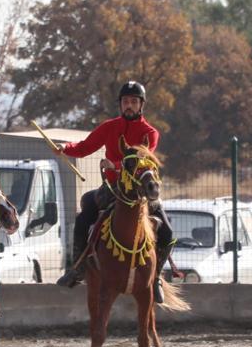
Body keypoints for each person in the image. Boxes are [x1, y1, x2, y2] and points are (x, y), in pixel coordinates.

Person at [55, 81, 174, 303]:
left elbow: (142, 160)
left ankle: (156, 277)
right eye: (126, 101)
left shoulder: (150, 133)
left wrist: (115, 166)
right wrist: (65, 149)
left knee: (167, 231)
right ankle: (77, 269)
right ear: (120, 104)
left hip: (140, 192)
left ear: (141, 105)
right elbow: (84, 146)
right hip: (111, 189)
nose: (129, 105)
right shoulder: (109, 127)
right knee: (83, 217)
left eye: (134, 102)